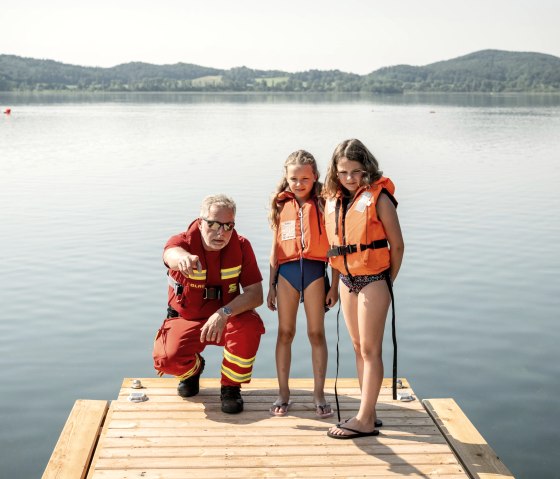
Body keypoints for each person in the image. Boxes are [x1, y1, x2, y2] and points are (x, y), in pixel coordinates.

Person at [153, 194, 265, 414]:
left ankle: (230, 388)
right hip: (187, 318)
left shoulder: (241, 246)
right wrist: (182, 259)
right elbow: (170, 254)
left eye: (228, 226)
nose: (220, 232)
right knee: (166, 359)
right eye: (213, 224)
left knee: (250, 326)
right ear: (200, 221)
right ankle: (192, 371)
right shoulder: (181, 242)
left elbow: (256, 295)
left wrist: (224, 313)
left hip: (226, 318)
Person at [322, 139, 404, 439]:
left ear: (367, 169)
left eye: (356, 172)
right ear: (335, 172)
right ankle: (367, 412)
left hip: (373, 280)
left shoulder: (379, 198)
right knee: (358, 348)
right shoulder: (333, 199)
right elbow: (334, 248)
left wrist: (385, 280)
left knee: (371, 350)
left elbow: (397, 245)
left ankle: (365, 420)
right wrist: (334, 283)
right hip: (346, 280)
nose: (349, 179)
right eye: (343, 172)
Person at [267, 150, 339, 418]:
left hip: (315, 272)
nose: (299, 184)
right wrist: (271, 285)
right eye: (293, 178)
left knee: (316, 334)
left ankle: (318, 393)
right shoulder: (280, 204)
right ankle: (283, 393)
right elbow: (275, 249)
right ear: (286, 178)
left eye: (304, 178)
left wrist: (334, 286)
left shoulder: (325, 203)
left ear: (315, 176)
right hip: (285, 274)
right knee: (285, 332)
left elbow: (334, 248)